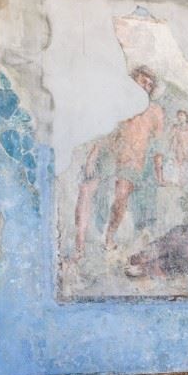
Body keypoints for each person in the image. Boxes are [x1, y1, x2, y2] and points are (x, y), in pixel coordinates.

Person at [73, 66, 165, 258]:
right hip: (110, 152)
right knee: (86, 189)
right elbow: (104, 129)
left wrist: (159, 174)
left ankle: (109, 238)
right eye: (143, 81)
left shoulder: (155, 111)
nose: (146, 87)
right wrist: (93, 155)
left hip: (132, 160)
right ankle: (79, 245)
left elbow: (158, 146)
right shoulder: (119, 102)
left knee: (121, 197)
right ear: (133, 81)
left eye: (150, 85)